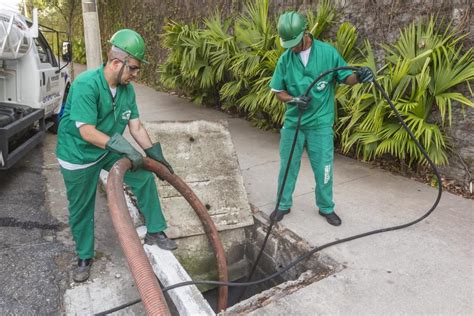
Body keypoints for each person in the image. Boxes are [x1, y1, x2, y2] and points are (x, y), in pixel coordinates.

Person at [56, 29, 176, 283]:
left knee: (143, 175)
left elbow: (136, 127)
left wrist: (154, 155)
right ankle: (84, 256)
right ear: (115, 63)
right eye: (132, 68)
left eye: (137, 69)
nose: (135, 75)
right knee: (82, 208)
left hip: (108, 148)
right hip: (78, 155)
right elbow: (87, 131)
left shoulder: (126, 91)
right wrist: (123, 148)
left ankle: (156, 231)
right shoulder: (86, 84)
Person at [269, 11, 374, 226]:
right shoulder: (285, 59)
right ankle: (282, 204)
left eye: (295, 43)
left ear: (305, 32)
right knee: (288, 165)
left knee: (324, 168)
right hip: (294, 123)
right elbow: (278, 91)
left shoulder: (328, 53)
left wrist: (360, 76)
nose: (292, 47)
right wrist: (294, 100)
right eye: (289, 44)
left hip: (320, 123)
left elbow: (346, 78)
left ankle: (326, 207)